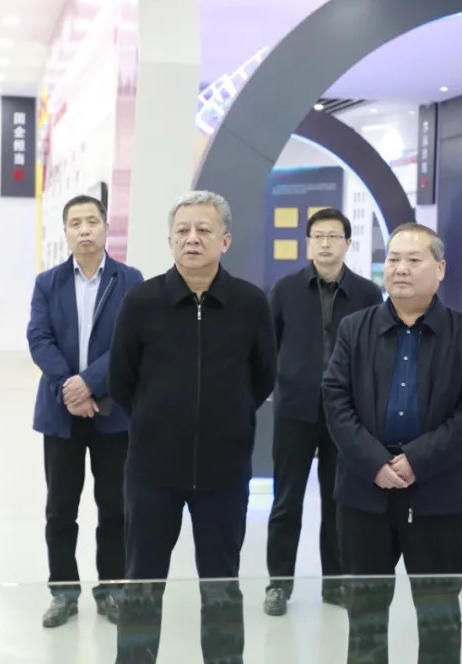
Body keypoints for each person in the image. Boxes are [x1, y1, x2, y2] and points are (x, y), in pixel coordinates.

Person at [108, 190, 277, 664]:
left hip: (225, 471)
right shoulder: (142, 302)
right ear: (170, 241)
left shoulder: (250, 303)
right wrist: (157, 418)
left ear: (225, 240)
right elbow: (122, 380)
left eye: (204, 229)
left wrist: (229, 417)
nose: (192, 238)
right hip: (152, 471)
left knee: (221, 585)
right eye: (182, 230)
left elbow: (263, 376)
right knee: (142, 584)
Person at [323, 222, 462, 664]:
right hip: (363, 493)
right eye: (393, 259)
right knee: (365, 615)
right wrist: (374, 462)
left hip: (438, 495)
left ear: (440, 268)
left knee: (439, 615)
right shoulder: (354, 329)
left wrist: (416, 460)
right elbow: (335, 400)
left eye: (413, 260)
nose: (399, 268)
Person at [27, 194, 144, 628]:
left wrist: (89, 383)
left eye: (91, 221)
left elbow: (132, 343)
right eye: (75, 223)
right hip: (61, 413)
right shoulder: (48, 282)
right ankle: (63, 592)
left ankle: (111, 588)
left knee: (115, 507)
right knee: (60, 509)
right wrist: (69, 388)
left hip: (114, 413)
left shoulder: (129, 280)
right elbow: (39, 338)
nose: (84, 229)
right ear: (66, 232)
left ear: (106, 227)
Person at [263, 208, 383, 616]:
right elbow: (269, 346)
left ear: (348, 243)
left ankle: (336, 583)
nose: (325, 243)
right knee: (286, 500)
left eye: (334, 236)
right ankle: (278, 584)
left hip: (346, 414)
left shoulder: (367, 294)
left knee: (339, 500)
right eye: (318, 236)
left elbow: (374, 353)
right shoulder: (285, 290)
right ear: (308, 243)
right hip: (294, 410)